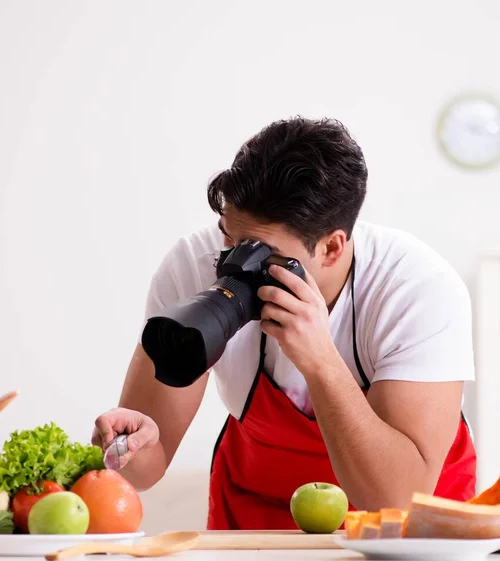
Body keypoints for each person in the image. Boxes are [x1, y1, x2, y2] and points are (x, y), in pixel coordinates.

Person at [92, 116, 476, 530]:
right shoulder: (193, 266)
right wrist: (127, 450)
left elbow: (393, 498)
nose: (233, 263)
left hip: (409, 527)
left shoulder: (414, 289)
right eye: (229, 238)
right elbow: (143, 471)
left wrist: (321, 361)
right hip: (257, 518)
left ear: (331, 247)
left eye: (259, 251)